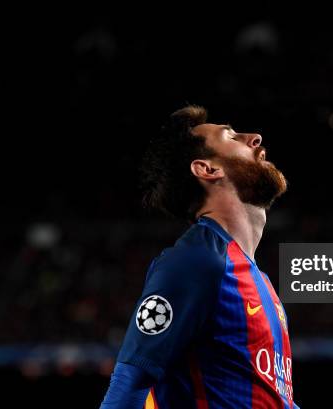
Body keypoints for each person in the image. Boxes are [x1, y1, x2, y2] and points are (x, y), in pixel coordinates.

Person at [100, 105, 299, 408]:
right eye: (231, 136)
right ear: (206, 169)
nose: (254, 138)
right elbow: (129, 383)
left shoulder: (261, 282)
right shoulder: (197, 261)